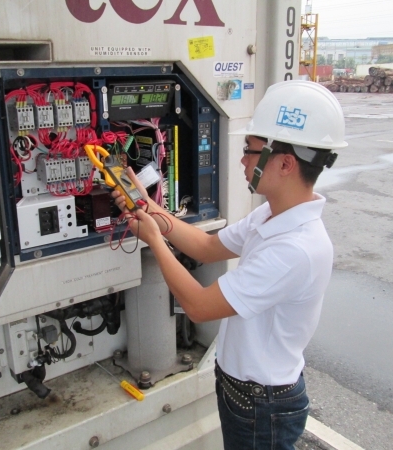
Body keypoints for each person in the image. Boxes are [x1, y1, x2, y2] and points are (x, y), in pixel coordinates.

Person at [112, 80, 347, 450]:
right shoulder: (272, 216)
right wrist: (147, 204)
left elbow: (200, 307)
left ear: (285, 163)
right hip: (246, 391)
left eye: (250, 151)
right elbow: (206, 247)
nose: (242, 160)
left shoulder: (296, 249)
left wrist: (155, 240)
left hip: (262, 403)